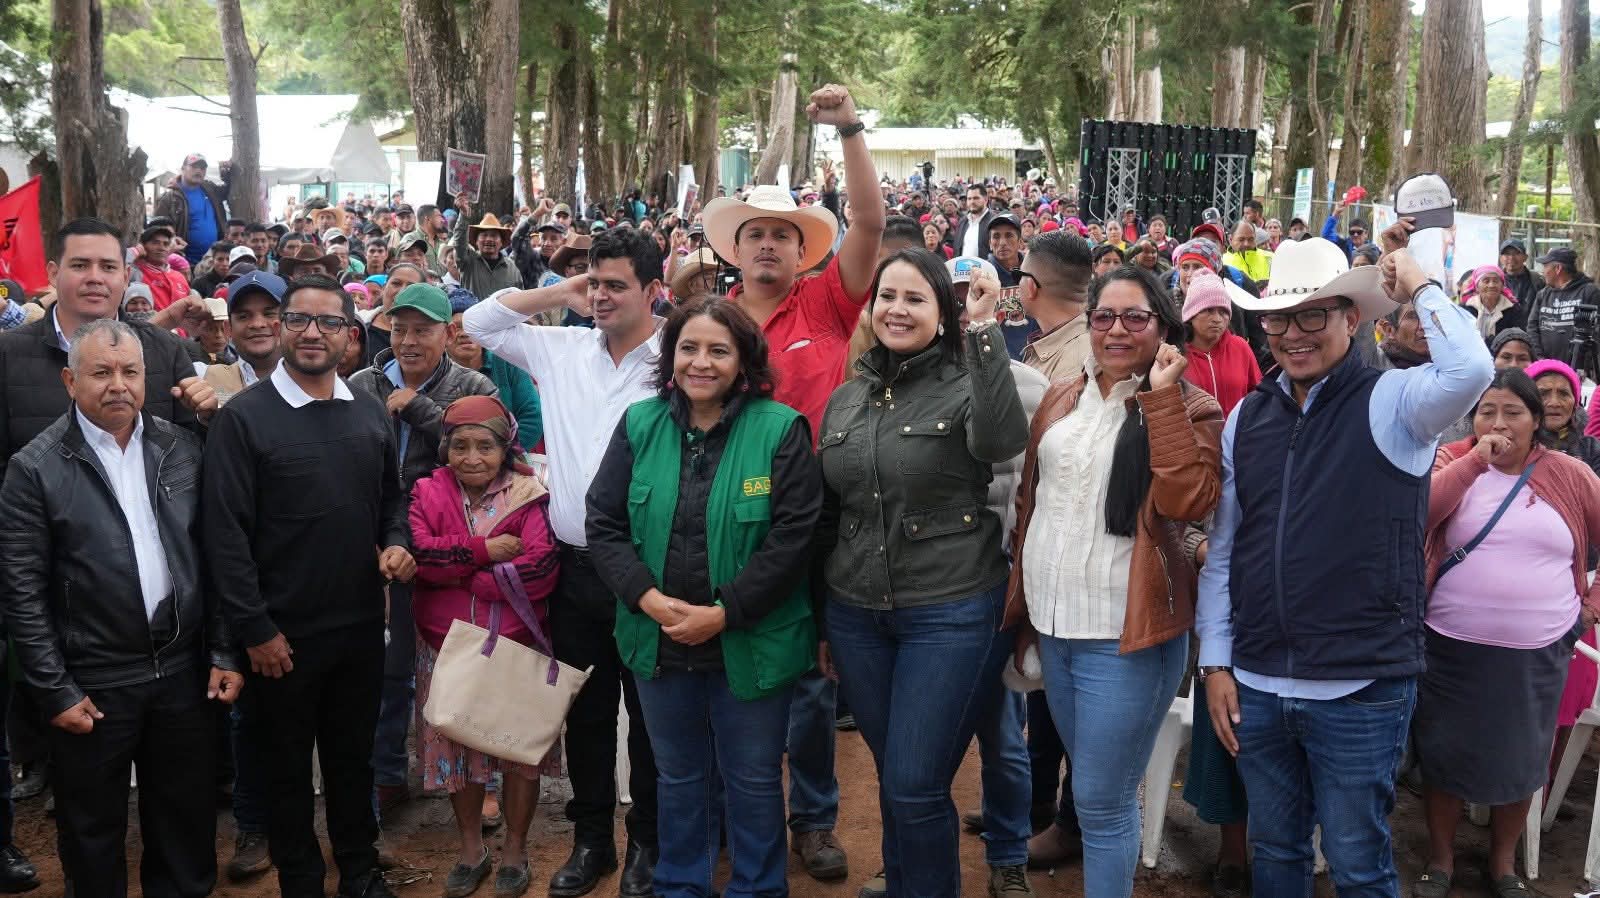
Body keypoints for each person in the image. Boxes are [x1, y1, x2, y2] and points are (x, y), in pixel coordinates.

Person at [1197, 229, 1494, 898]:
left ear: (1351, 319)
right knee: (1274, 853)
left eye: (1314, 314)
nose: (1293, 333)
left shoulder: (1396, 402)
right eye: (1280, 317)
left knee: (1359, 865)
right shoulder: (1249, 416)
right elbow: (1228, 546)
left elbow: (1471, 371)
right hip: (1260, 681)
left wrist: (1419, 283)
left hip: (1361, 685)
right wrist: (1217, 659)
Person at [700, 83, 885, 880]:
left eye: (782, 235)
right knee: (722, 660)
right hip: (721, 514)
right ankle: (729, 811)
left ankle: (811, 818)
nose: (769, 246)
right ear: (734, 250)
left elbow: (872, 224)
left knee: (809, 677)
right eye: (756, 236)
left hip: (817, 517)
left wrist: (847, 130)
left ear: (802, 248)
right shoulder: (713, 323)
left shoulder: (829, 306)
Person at [587, 297, 821, 898]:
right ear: (671, 357)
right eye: (689, 348)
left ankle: (757, 887)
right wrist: (646, 598)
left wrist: (725, 613)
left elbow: (795, 538)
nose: (702, 362)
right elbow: (604, 521)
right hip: (658, 637)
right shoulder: (640, 424)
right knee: (679, 776)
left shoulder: (779, 430)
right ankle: (681, 886)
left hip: (751, 639)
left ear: (743, 360)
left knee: (753, 778)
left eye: (719, 350)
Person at [0, 319, 241, 897]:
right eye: (101, 372)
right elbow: (22, 591)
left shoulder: (182, 446)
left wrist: (226, 648)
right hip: (94, 684)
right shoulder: (34, 468)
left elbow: (218, 556)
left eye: (130, 372)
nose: (118, 385)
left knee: (184, 826)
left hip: (183, 676)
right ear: (69, 380)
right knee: (92, 836)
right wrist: (55, 690)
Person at [1004, 266, 1222, 898]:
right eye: (1105, 316)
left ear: (1163, 327)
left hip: (1125, 638)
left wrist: (1157, 399)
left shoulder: (1191, 408)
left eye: (1136, 318)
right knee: (1097, 786)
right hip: (1054, 625)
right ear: (1089, 322)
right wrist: (1022, 615)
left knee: (1100, 799)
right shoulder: (1063, 396)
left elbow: (1188, 499)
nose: (1117, 330)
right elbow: (1030, 503)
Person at [817, 248, 1029, 898]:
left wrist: (986, 327)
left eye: (915, 298)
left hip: (953, 612)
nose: (897, 309)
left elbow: (1001, 443)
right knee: (898, 775)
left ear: (942, 314)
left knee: (914, 782)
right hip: (857, 615)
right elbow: (832, 512)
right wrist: (826, 624)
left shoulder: (970, 381)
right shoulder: (848, 398)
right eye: (887, 296)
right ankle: (907, 879)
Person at [463, 229, 664, 898]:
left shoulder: (676, 355)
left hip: (651, 569)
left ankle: (649, 846)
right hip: (576, 567)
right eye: (595, 283)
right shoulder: (561, 348)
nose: (601, 296)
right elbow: (478, 319)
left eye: (616, 285)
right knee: (586, 711)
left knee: (651, 712)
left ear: (653, 291)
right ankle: (591, 842)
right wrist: (562, 291)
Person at [202, 275, 414, 898]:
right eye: (299, 320)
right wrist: (255, 631)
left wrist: (397, 542)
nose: (312, 332)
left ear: (352, 335)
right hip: (279, 641)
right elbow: (225, 538)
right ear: (283, 329)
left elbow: (392, 500)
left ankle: (358, 871)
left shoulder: (368, 410)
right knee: (285, 772)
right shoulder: (244, 420)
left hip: (356, 631)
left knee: (353, 763)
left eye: (327, 322)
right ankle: (301, 881)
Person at [1413, 368, 1600, 898]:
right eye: (1486, 411)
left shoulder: (1569, 473)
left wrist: (1589, 608)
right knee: (1445, 753)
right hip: (1449, 643)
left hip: (1538, 651)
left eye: (1513, 412)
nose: (1499, 422)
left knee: (1523, 760)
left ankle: (1502, 864)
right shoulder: (1453, 461)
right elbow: (1420, 514)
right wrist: (1477, 459)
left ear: (1536, 421)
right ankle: (1441, 859)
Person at [348, 282, 499, 818]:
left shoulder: (471, 383)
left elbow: (489, 453)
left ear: (446, 332)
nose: (409, 340)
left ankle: (484, 781)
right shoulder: (361, 384)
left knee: (465, 662)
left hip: (450, 543)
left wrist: (422, 409)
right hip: (379, 546)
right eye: (400, 328)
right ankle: (388, 774)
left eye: (423, 329)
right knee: (387, 670)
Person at [409, 395, 561, 898]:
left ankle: (515, 849)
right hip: (446, 646)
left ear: (505, 448)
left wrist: (477, 580)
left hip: (513, 646)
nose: (471, 457)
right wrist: (483, 553)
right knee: (462, 752)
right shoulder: (427, 491)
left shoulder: (528, 493)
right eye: (460, 446)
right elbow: (420, 557)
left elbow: (541, 568)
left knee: (518, 756)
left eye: (485, 446)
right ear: (444, 448)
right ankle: (471, 848)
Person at [446, 289, 543, 448]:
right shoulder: (437, 371)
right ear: (445, 333)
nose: (464, 334)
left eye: (469, 327)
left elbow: (532, 418)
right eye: (456, 328)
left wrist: (503, 458)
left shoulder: (505, 360)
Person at [1182, 269, 1261, 415]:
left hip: (1239, 436)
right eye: (1208, 310)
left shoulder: (1241, 347)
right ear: (1191, 314)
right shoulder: (1177, 354)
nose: (1217, 319)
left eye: (1223, 311)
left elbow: (1258, 397)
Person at [1018, 231, 1094, 382]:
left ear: (1031, 286)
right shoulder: (1092, 340)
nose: (1017, 283)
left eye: (1019, 275)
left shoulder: (1073, 365)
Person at [1523, 359, 1600, 476]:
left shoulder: (1591, 450)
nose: (1554, 403)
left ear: (1575, 404)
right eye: (1543, 394)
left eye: (1564, 394)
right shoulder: (1515, 448)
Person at [1528, 247, 1600, 366]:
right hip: (1546, 367)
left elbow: (1596, 332)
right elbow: (1532, 327)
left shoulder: (1589, 292)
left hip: (1579, 370)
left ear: (1558, 268)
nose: (1543, 272)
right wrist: (1539, 358)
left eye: (1546, 266)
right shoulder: (1543, 294)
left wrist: (1582, 364)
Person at [153, 153, 230, 266]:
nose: (199, 171)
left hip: (214, 262)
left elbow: (230, 191)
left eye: (202, 168)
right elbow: (157, 229)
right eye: (194, 167)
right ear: (183, 169)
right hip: (184, 263)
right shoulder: (169, 198)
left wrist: (226, 173)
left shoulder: (211, 190)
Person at [452, 199, 526, 300]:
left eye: (494, 235)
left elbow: (519, 299)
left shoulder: (512, 268)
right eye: (484, 235)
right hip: (473, 315)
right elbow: (459, 242)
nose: (489, 239)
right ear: (476, 241)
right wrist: (464, 215)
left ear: (501, 242)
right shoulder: (467, 260)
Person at [364, 262, 426, 364]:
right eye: (396, 283)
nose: (402, 291)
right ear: (383, 288)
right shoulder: (361, 326)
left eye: (411, 286)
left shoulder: (428, 335)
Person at [133, 223, 194, 310]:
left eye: (166, 244)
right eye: (155, 243)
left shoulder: (179, 276)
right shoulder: (135, 273)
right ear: (143, 246)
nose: (161, 248)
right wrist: (137, 251)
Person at [1462, 265, 1527, 344]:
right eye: (1486, 281)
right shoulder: (1465, 309)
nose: (1491, 285)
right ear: (1477, 287)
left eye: (1496, 281)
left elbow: (1517, 338)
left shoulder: (1514, 310)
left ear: (1502, 286)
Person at [956, 183, 999, 259]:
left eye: (976, 198)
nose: (972, 202)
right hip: (962, 269)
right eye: (969, 198)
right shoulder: (962, 222)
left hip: (987, 269)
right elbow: (957, 250)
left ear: (986, 199)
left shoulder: (995, 221)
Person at [1499, 239, 1545, 307]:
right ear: (1501, 259)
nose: (1511, 258)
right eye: (1507, 254)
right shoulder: (1495, 281)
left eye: (1516, 253)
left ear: (1525, 257)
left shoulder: (1538, 280)